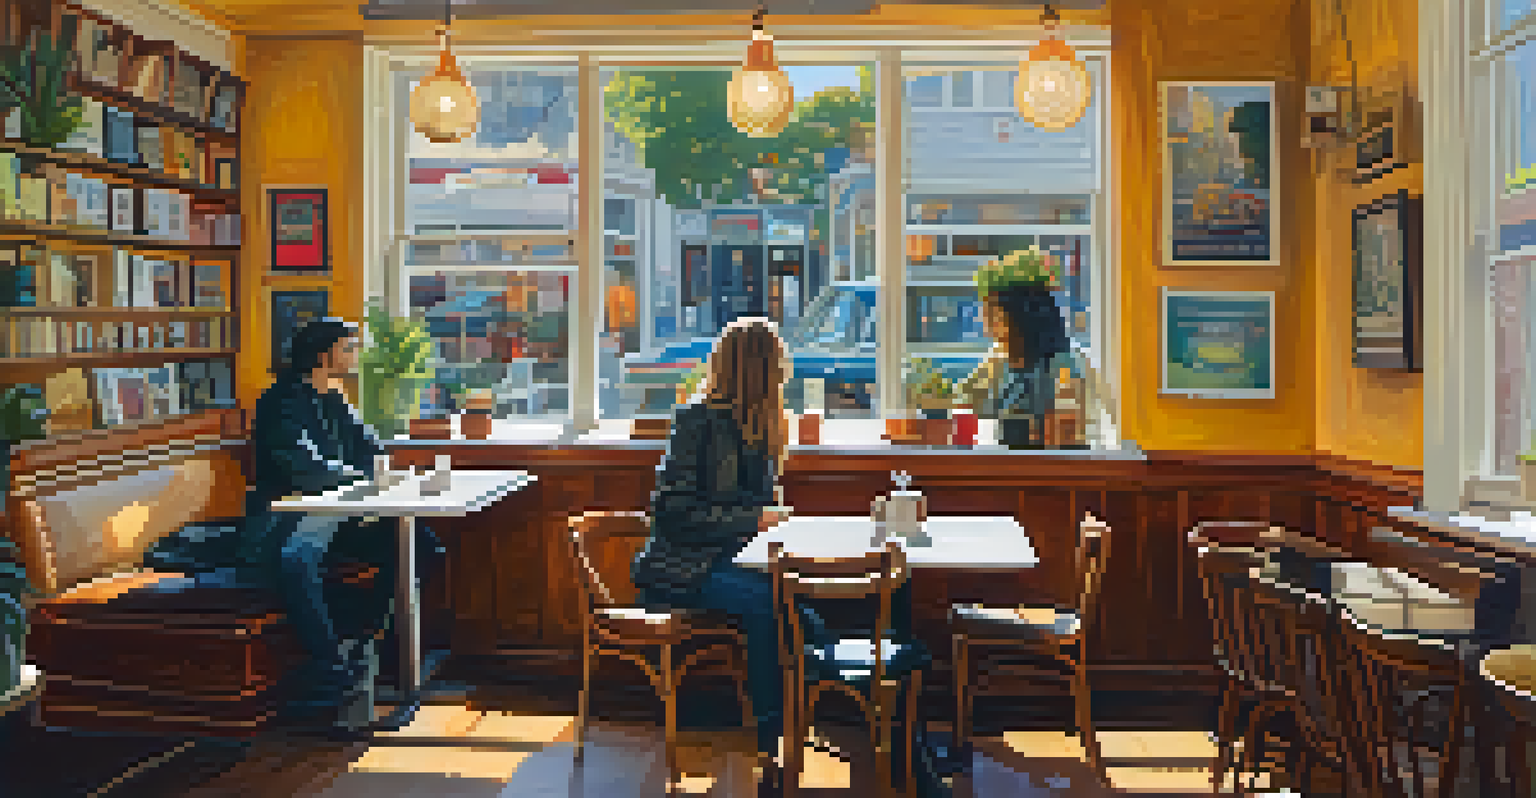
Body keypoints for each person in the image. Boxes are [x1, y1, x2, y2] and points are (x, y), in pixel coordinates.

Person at [630, 318, 808, 792]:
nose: (784, 375)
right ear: (759, 370)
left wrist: (763, 516)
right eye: (777, 366)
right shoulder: (697, 421)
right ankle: (775, 737)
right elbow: (671, 513)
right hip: (678, 568)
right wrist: (755, 519)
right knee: (768, 603)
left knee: (797, 602)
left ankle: (824, 719)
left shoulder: (764, 425)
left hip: (726, 563)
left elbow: (752, 505)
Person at [240, 318, 396, 730]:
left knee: (421, 546)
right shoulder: (282, 400)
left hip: (335, 508)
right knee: (297, 559)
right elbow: (306, 469)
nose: (354, 355)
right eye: (349, 348)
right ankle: (330, 667)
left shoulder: (334, 395)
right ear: (324, 354)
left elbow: (371, 450)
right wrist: (361, 477)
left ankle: (363, 642)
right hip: (287, 512)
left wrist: (367, 469)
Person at [955, 277, 1109, 449]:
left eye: (991, 314)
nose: (984, 322)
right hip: (1013, 462)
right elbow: (964, 401)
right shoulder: (999, 356)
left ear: (1019, 318)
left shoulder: (1067, 362)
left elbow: (1076, 431)